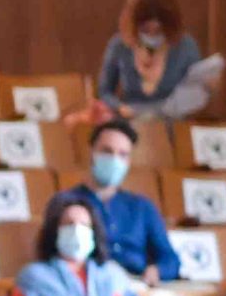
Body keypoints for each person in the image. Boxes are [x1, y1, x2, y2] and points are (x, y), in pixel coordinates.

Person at [10, 188, 148, 296]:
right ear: (54, 231)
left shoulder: (114, 274)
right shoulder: (35, 277)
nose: (77, 229)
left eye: (84, 224)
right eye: (69, 224)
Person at [74, 118, 179, 283]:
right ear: (91, 153)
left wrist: (156, 271)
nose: (114, 160)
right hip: (90, 285)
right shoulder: (67, 203)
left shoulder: (142, 207)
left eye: (122, 154)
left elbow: (170, 260)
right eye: (107, 151)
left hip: (137, 285)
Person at [96, 0, 216, 119]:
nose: (152, 36)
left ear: (170, 28)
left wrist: (208, 88)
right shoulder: (119, 45)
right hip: (130, 121)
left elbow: (195, 92)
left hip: (175, 122)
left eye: (159, 31)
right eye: (145, 30)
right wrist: (119, 107)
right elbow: (104, 91)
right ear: (134, 26)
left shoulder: (186, 46)